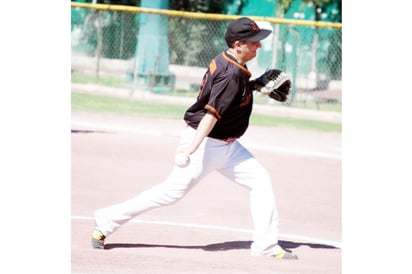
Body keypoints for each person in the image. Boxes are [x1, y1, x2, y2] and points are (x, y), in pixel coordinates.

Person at [91, 17, 298, 260]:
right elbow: (212, 114)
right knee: (170, 193)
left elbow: (226, 96)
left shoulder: (228, 62)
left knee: (261, 181)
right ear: (239, 44)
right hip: (205, 145)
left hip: (228, 147)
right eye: (254, 43)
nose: (258, 46)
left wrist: (251, 86)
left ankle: (265, 245)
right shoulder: (231, 74)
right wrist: (191, 149)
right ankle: (106, 221)